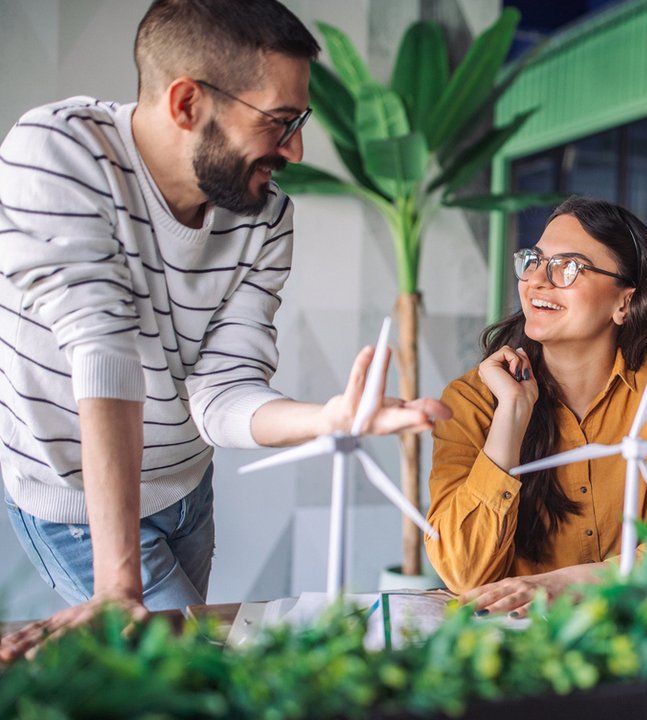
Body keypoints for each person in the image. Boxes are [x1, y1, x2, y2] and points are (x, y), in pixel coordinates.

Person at [0, 0, 448, 660]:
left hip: (187, 488)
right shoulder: (57, 151)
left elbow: (220, 394)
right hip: (75, 501)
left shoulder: (263, 216)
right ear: (186, 103)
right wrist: (117, 585)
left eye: (299, 121)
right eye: (279, 121)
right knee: (195, 670)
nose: (294, 150)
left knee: (180, 673)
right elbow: (102, 346)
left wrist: (329, 418)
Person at [426, 196, 647, 615]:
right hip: (516, 641)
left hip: (638, 627)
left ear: (623, 302)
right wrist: (511, 417)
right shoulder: (472, 400)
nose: (537, 280)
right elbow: (463, 572)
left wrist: (569, 583)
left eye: (567, 267)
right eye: (534, 260)